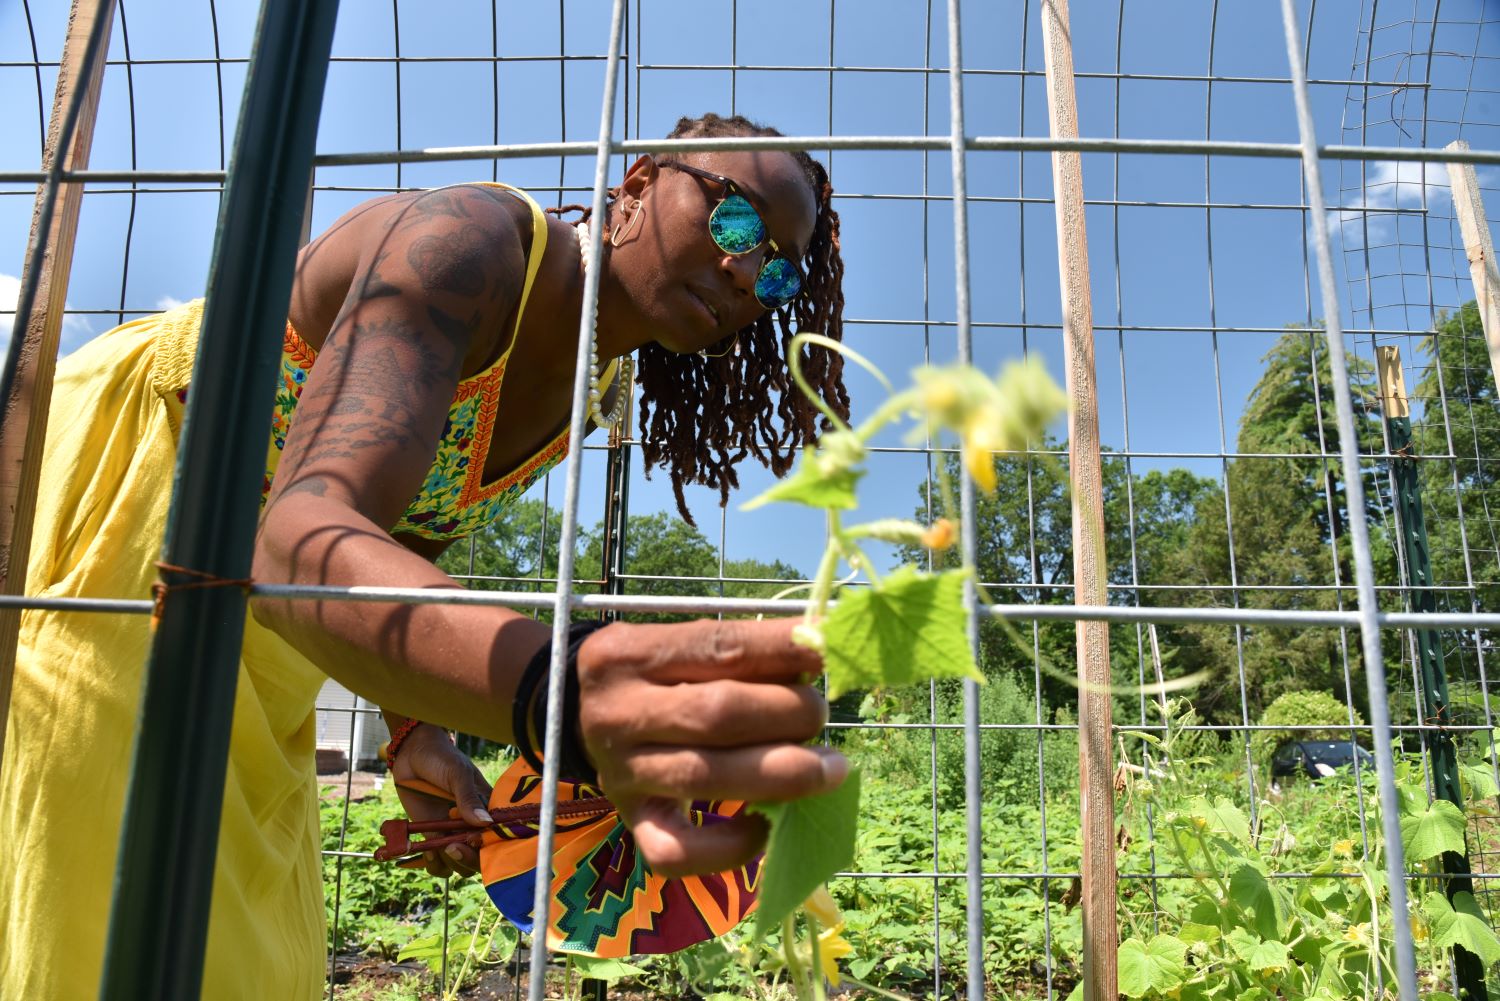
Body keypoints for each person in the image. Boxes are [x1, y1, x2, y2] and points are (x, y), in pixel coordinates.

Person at [0, 112, 852, 999]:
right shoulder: (474, 245)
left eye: (779, 267)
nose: (748, 270)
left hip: (279, 625)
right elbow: (304, 533)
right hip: (149, 507)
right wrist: (561, 692)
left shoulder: (596, 387)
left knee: (263, 956)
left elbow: (404, 524)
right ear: (636, 186)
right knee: (108, 917)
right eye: (737, 221)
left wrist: (415, 729)